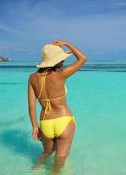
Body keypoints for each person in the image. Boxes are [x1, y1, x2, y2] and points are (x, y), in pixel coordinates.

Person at [28, 40, 87, 173]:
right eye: (62, 59)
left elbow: (31, 105)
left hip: (45, 123)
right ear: (56, 60)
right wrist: (67, 44)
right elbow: (83, 59)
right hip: (63, 121)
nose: (63, 62)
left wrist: (34, 127)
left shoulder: (32, 78)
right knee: (59, 161)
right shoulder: (61, 74)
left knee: (46, 154)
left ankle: (34, 170)